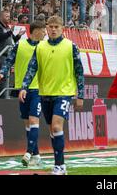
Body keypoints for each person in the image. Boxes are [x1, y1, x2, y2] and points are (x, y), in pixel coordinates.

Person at [21, 15, 84, 175]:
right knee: (52, 130)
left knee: (57, 126)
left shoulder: (71, 46)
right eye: (51, 27)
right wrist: (24, 87)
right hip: (45, 93)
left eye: (57, 27)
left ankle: (60, 166)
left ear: (62, 28)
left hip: (64, 93)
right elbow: (31, 68)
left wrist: (80, 95)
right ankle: (59, 165)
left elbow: (79, 71)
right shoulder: (40, 47)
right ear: (46, 28)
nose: (53, 29)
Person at [0, 20, 47, 167]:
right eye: (43, 30)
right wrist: (2, 73)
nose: (45, 33)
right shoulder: (20, 45)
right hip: (21, 89)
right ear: (36, 30)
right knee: (27, 124)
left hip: (39, 89)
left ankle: (29, 152)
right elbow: (9, 61)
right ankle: (36, 156)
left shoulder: (45, 47)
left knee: (33, 121)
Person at [0, 10, 26, 99]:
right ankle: (3, 97)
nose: (8, 18)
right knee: (4, 76)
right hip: (1, 54)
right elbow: (1, 37)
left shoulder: (7, 27)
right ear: (1, 17)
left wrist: (19, 35)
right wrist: (11, 30)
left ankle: (8, 95)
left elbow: (12, 39)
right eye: (6, 16)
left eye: (9, 16)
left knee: (10, 75)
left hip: (8, 54)